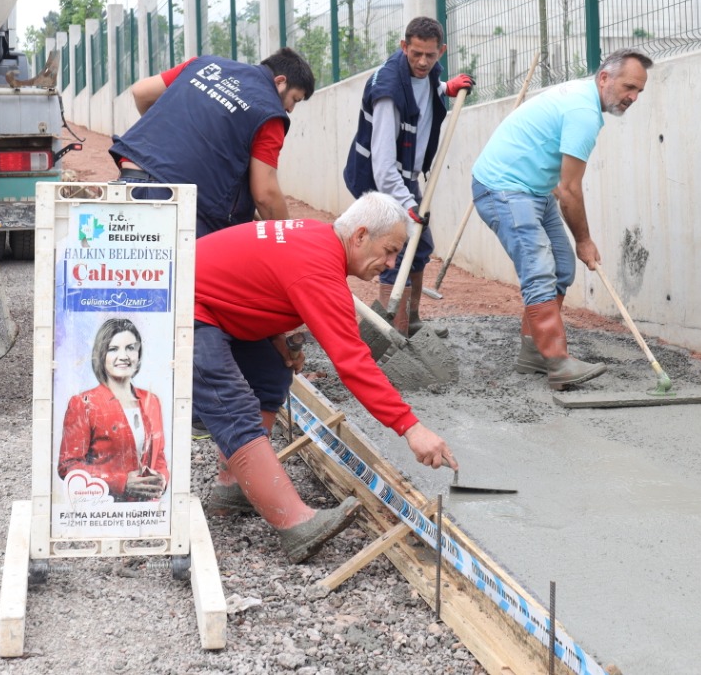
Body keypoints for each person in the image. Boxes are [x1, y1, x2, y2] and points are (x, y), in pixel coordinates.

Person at [192, 192, 459, 564]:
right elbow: (353, 362)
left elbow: (251, 283)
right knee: (232, 406)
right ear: (361, 235)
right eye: (389, 250)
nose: (390, 263)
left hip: (210, 304)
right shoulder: (318, 267)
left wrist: (276, 336)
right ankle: (296, 525)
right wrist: (411, 427)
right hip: (181, 309)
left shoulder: (317, 241)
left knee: (270, 373)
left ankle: (234, 486)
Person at [470, 48, 653, 390]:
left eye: (639, 91)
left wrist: (577, 242)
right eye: (629, 86)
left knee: (562, 266)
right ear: (604, 78)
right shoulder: (583, 112)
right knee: (539, 268)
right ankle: (557, 361)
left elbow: (558, 178)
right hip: (503, 189)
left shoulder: (583, 100)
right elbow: (569, 190)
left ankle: (533, 353)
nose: (633, 97)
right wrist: (584, 239)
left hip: (535, 191)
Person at [342, 16, 473, 334]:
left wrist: (445, 88)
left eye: (430, 55)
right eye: (415, 54)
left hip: (406, 178)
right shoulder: (388, 91)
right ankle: (394, 333)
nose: (423, 61)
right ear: (404, 47)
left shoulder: (427, 74)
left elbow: (424, 87)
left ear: (440, 51)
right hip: (380, 182)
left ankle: (410, 322)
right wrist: (407, 207)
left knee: (421, 247)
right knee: (395, 252)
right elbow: (383, 167)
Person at [110, 48, 315, 237]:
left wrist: (161, 142)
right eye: (294, 99)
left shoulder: (204, 64)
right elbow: (265, 195)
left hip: (131, 180)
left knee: (127, 271)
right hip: (179, 206)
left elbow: (141, 91)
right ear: (280, 82)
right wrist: (288, 239)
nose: (290, 109)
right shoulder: (269, 112)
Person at [58, 317, 168, 502]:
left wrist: (162, 479)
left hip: (148, 513)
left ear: (139, 354)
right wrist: (122, 482)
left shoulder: (151, 400)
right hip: (106, 511)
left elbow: (159, 455)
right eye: (113, 349)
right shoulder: (83, 403)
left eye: (130, 348)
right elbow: (68, 465)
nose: (124, 356)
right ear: (101, 355)